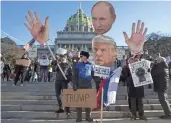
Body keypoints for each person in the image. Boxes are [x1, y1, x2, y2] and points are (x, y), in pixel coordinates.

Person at [122, 54, 147, 120]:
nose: (136, 61)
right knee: (133, 102)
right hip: (132, 87)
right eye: (135, 60)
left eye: (137, 60)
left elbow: (145, 75)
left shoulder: (142, 67)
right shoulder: (127, 68)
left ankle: (141, 115)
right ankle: (133, 115)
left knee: (140, 102)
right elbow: (124, 77)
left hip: (140, 87)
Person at [73, 51, 94, 122]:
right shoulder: (78, 65)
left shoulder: (91, 65)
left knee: (88, 103)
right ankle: (79, 117)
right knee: (79, 103)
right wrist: (74, 84)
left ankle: (88, 117)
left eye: (81, 56)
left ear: (85, 57)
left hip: (88, 86)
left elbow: (94, 75)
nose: (80, 57)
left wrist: (101, 79)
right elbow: (75, 75)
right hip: (79, 86)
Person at [151, 53, 171, 119]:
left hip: (161, 86)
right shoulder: (164, 66)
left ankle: (168, 114)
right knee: (163, 100)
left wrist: (154, 65)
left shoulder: (161, 67)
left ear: (160, 61)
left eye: (157, 60)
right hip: (163, 86)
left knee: (163, 100)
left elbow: (153, 73)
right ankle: (168, 113)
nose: (156, 61)